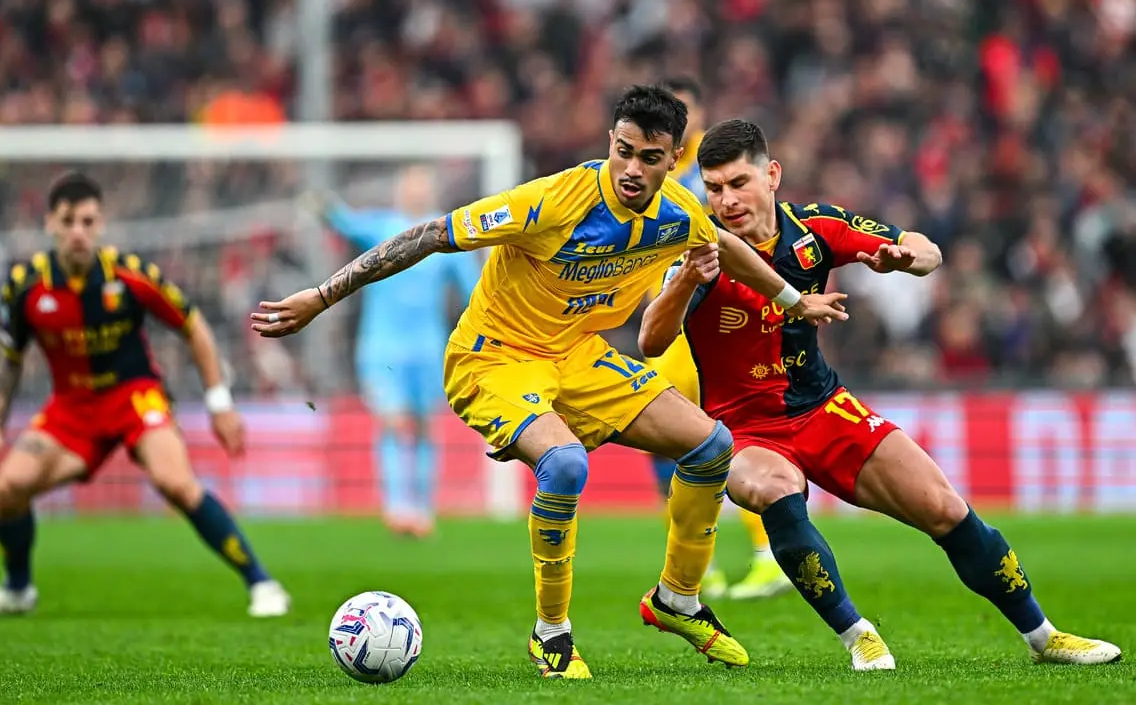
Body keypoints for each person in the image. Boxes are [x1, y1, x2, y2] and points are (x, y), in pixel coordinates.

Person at [251, 85, 850, 679]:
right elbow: (431, 235)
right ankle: (552, 634)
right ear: (610, 142)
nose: (631, 169)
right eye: (623, 151)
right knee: (564, 465)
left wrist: (794, 301)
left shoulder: (678, 211)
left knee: (712, 444)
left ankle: (678, 599)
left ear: (674, 160)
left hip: (575, 355)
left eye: (649, 158)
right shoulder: (552, 201)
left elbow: (722, 245)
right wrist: (322, 296)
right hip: (493, 358)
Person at [639, 118, 1123, 670]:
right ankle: (859, 635)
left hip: (824, 408)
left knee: (944, 507)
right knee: (774, 488)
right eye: (714, 188)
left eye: (738, 183)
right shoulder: (699, 250)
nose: (726, 201)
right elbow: (651, 340)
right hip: (745, 429)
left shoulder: (814, 229)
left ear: (771, 175)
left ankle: (1044, 636)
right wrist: (685, 279)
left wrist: (908, 258)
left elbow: (923, 248)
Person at [0, 173, 290, 621]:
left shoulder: (130, 275)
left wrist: (220, 405)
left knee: (176, 482)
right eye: (68, 221)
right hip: (71, 409)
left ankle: (262, 582)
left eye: (87, 221)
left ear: (101, 224)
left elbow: (193, 327)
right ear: (49, 223)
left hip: (135, 398)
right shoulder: (24, 286)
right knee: (8, 488)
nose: (78, 232)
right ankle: (16, 591)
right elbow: (9, 360)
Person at [646, 77, 790, 601]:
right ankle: (696, 566)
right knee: (669, 444)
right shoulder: (653, 173)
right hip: (668, 324)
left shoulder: (710, 176)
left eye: (683, 114)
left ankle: (769, 554)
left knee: (726, 436)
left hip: (706, 324)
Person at [313, 165, 479, 536]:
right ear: (399, 191)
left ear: (431, 192)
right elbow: (345, 223)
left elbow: (474, 289)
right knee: (391, 422)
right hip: (382, 346)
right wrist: (321, 203)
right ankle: (396, 507)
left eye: (421, 187)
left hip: (427, 348)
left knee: (423, 427)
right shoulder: (383, 228)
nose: (415, 193)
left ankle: (422, 510)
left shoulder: (444, 235)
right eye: (410, 186)